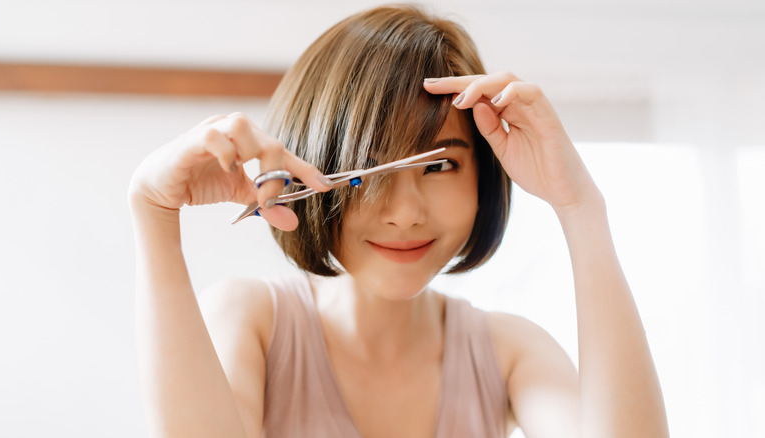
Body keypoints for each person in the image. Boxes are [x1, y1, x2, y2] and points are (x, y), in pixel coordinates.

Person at [129, 5, 669, 438]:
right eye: (372, 167)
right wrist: (153, 212)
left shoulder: (509, 352)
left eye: (439, 164)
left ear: (482, 175)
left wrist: (581, 209)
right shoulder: (253, 321)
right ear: (309, 168)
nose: (406, 212)